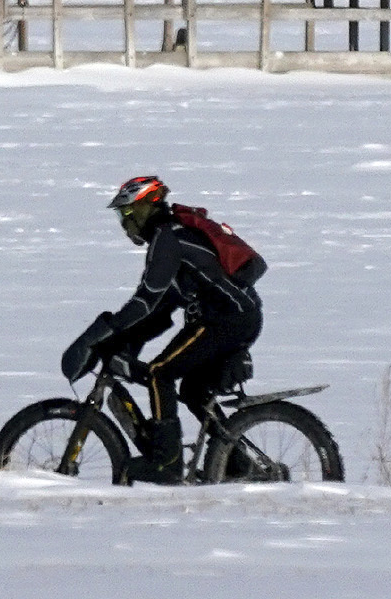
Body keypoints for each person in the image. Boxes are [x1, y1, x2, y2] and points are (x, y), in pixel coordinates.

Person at [60, 173, 266, 480]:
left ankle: (166, 464)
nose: (124, 223)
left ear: (144, 208)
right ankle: (237, 462)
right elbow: (159, 311)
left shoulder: (168, 240)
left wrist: (107, 330)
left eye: (127, 213)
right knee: (193, 390)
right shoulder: (173, 238)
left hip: (227, 319)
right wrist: (126, 340)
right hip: (234, 318)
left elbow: (146, 299)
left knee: (159, 374)